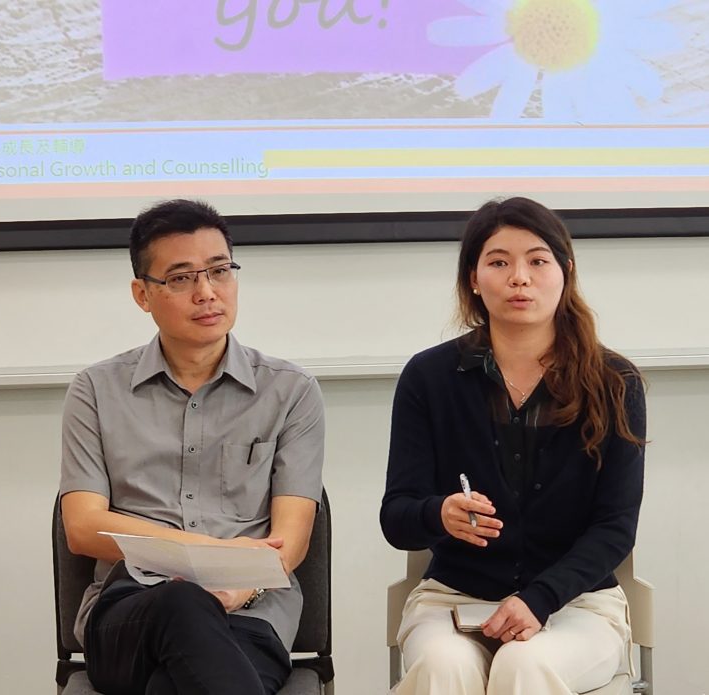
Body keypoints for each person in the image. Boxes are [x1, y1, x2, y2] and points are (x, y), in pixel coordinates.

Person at [380, 197, 647, 695]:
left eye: (537, 261)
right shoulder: (429, 377)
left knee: (522, 667)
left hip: (576, 605)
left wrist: (539, 598)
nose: (519, 277)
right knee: (444, 669)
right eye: (499, 262)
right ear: (474, 280)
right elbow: (396, 516)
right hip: (453, 600)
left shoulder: (614, 381)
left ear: (565, 272)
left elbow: (615, 528)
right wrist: (439, 514)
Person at [59, 199, 325, 695]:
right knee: (182, 605)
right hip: (130, 613)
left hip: (251, 610)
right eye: (181, 278)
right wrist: (209, 555)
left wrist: (241, 584)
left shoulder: (290, 391)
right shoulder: (96, 390)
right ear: (142, 294)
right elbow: (82, 526)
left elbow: (293, 537)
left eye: (220, 271)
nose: (207, 292)